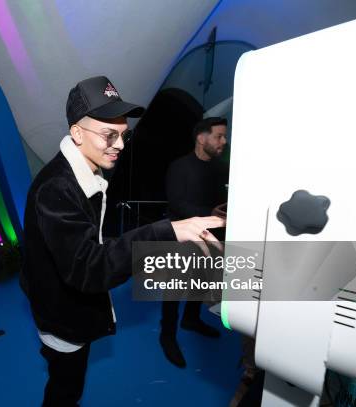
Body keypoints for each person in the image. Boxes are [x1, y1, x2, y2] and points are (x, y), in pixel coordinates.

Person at [20, 76, 225, 407]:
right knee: (64, 390)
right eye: (108, 135)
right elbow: (89, 267)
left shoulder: (86, 174)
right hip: (61, 316)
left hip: (62, 304)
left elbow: (89, 243)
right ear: (76, 133)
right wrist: (165, 231)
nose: (120, 144)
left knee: (67, 381)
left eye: (124, 135)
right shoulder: (58, 188)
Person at [159, 117, 229, 368]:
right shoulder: (180, 167)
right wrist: (214, 214)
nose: (224, 141)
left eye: (224, 136)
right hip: (181, 239)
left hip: (209, 240)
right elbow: (177, 203)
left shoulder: (222, 168)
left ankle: (191, 319)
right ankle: (167, 336)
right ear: (201, 138)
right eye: (219, 136)